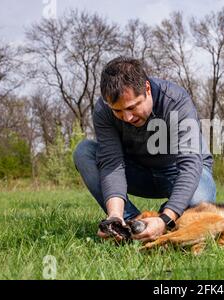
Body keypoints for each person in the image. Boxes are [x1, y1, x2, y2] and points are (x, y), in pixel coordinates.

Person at [73, 57, 215, 243]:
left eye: (132, 107)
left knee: (200, 198)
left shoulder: (176, 100)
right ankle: (130, 225)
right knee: (84, 152)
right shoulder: (103, 110)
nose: (127, 117)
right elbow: (112, 164)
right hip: (137, 173)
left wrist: (165, 218)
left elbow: (190, 165)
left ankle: (164, 221)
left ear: (147, 89)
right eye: (118, 111)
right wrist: (115, 215)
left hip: (177, 173)